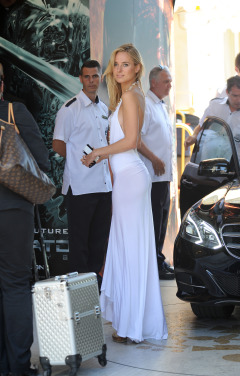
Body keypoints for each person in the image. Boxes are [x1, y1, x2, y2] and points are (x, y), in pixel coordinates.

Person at [82, 43, 168, 343]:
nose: (118, 69)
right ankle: (131, 324)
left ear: (137, 68)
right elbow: (135, 140)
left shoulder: (131, 97)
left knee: (131, 250)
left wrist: (98, 153)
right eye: (116, 64)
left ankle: (133, 327)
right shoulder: (129, 97)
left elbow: (130, 141)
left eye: (125, 64)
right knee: (127, 249)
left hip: (131, 178)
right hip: (128, 178)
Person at [0, 64, 50, 376]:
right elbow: (41, 164)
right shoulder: (14, 113)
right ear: (2, 85)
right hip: (12, 210)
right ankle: (17, 367)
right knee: (15, 285)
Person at [52, 60, 112, 289]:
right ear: (80, 79)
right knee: (79, 245)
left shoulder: (103, 109)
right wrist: (81, 159)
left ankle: (93, 286)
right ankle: (80, 291)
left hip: (103, 186)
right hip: (80, 187)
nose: (91, 81)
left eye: (95, 76)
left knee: (99, 243)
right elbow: (58, 145)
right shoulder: (70, 109)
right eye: (86, 77)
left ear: (99, 78)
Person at [138, 65, 174, 280]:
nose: (170, 85)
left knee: (161, 221)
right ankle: (152, 265)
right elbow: (136, 139)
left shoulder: (160, 105)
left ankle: (158, 260)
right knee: (153, 221)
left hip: (164, 176)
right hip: (151, 176)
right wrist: (154, 158)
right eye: (166, 81)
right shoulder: (146, 105)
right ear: (154, 83)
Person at [185, 75, 240, 171]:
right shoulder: (214, 105)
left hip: (232, 170)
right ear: (227, 92)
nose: (239, 100)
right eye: (235, 96)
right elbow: (201, 125)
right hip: (206, 164)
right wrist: (194, 136)